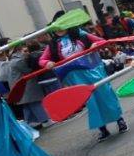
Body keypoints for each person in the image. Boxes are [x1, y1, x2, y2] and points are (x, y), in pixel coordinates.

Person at [39, 13, 127, 141]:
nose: (60, 28)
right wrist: (47, 63)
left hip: (93, 70)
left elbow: (101, 41)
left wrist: (95, 45)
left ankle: (120, 120)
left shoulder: (81, 34)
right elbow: (42, 59)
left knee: (106, 95)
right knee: (90, 102)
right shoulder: (53, 44)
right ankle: (102, 129)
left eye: (62, 24)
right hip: (73, 76)